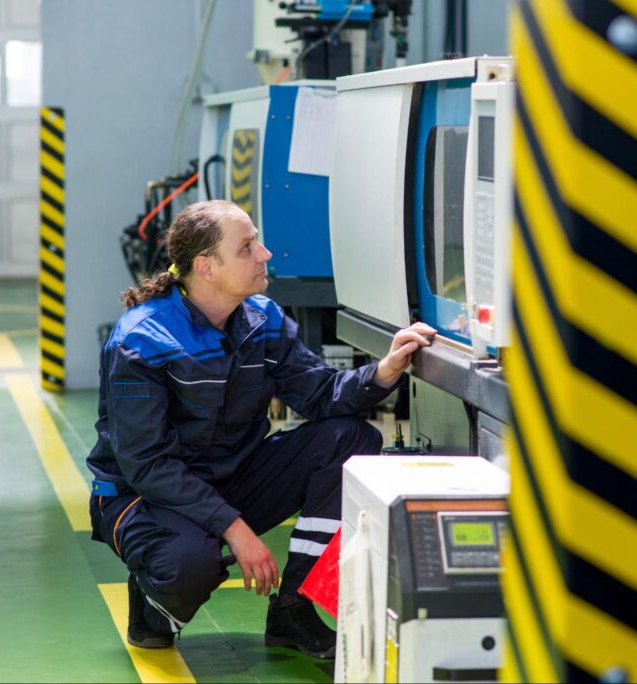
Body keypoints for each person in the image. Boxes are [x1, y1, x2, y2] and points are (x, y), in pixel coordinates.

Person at [86, 200, 435, 659]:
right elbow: (147, 463)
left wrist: (384, 372)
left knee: (350, 439)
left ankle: (295, 607)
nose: (265, 253)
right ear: (206, 267)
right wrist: (234, 528)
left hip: (231, 477)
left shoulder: (261, 320)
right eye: (248, 246)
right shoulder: (141, 340)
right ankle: (152, 604)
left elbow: (320, 395)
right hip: (143, 496)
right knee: (189, 564)